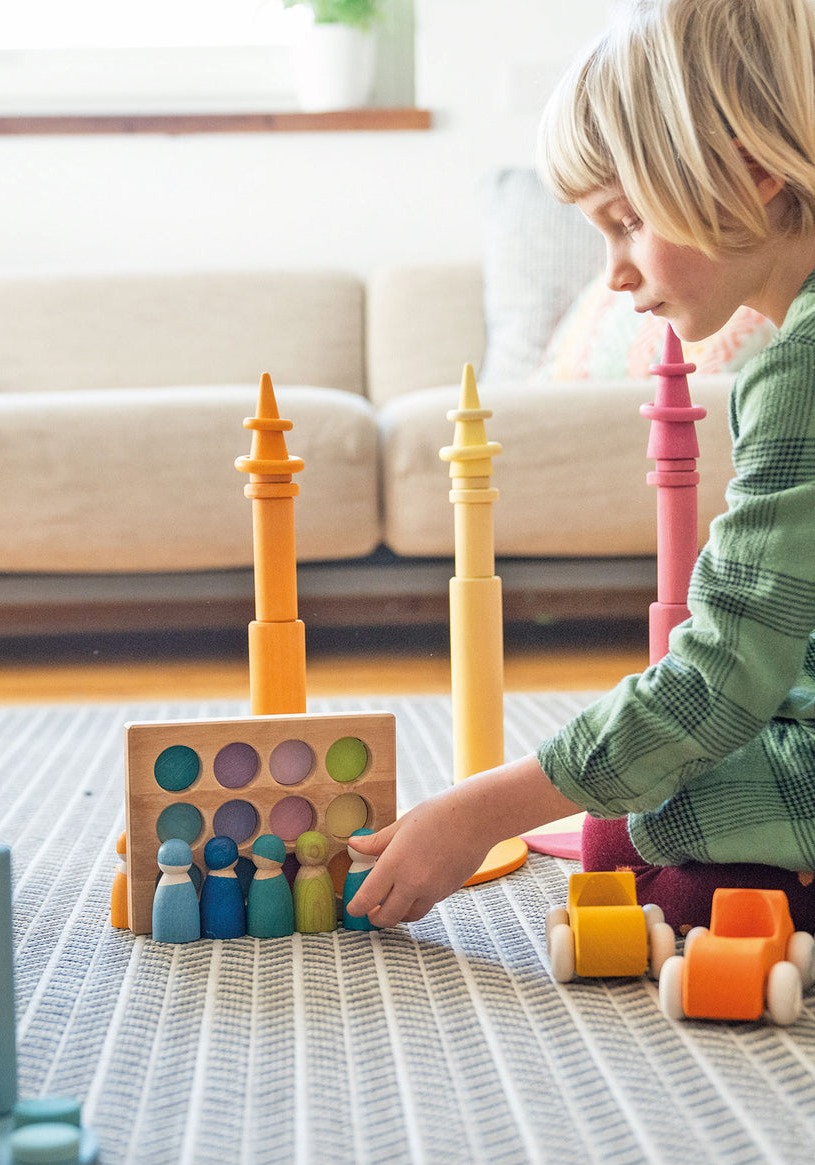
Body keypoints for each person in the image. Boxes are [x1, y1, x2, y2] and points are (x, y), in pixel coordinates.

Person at [347, 0, 815, 933]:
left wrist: (480, 810)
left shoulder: (800, 373)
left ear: (755, 173)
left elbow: (719, 681)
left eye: (627, 221)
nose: (615, 273)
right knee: (628, 815)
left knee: (635, 836)